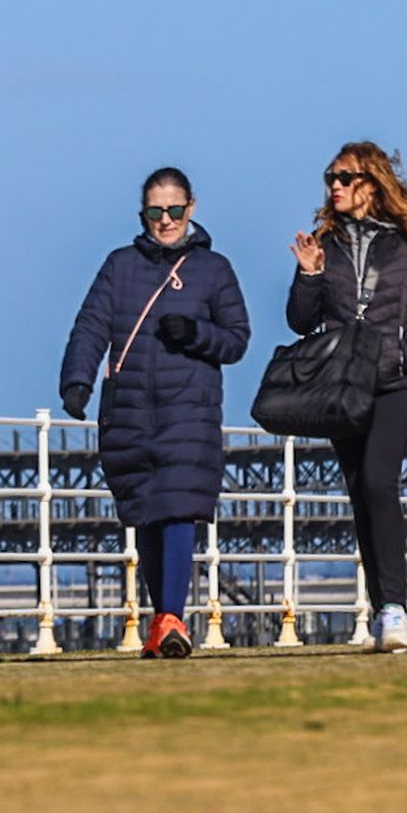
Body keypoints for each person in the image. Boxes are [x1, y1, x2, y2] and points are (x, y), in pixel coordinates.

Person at [60, 166, 251, 659]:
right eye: (154, 211)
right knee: (145, 513)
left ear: (192, 208)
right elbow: (91, 326)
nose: (165, 220)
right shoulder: (119, 265)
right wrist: (77, 381)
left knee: (179, 507)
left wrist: (195, 334)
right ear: (142, 213)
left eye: (174, 210)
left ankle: (171, 618)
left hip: (189, 408)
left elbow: (236, 340)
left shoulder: (215, 270)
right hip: (128, 410)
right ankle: (162, 619)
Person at [288, 141, 407, 653]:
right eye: (330, 177)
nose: (334, 186)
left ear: (372, 184)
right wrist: (309, 273)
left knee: (381, 481)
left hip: (396, 382)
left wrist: (406, 352)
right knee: (361, 491)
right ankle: (384, 608)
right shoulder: (324, 241)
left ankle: (397, 608)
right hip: (340, 384)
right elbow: (298, 320)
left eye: (345, 178)